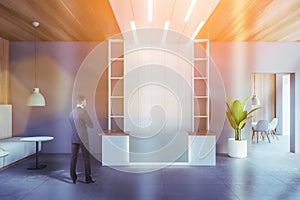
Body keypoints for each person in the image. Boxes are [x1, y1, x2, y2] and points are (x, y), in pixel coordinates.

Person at [69, 95, 95, 184]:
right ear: (83, 102)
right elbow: (91, 125)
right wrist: (85, 125)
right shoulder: (84, 112)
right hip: (83, 139)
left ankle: (73, 178)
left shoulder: (71, 113)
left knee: (73, 158)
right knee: (86, 158)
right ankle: (88, 178)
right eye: (85, 101)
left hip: (74, 138)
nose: (86, 103)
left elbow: (73, 126)